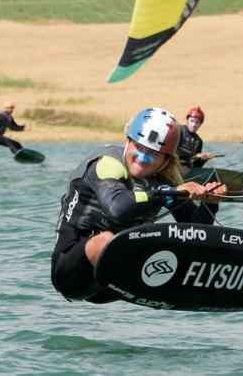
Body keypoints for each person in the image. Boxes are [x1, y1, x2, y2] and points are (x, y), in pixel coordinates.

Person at [51, 107, 226, 303]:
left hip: (113, 285)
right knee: (107, 240)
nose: (142, 157)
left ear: (166, 158)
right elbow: (117, 209)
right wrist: (166, 194)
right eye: (138, 147)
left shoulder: (168, 176)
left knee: (173, 240)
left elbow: (196, 230)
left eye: (153, 153)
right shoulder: (107, 162)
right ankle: (162, 284)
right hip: (72, 274)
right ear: (127, 141)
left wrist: (211, 204)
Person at [177, 106, 218, 175]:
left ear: (200, 124)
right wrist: (195, 156)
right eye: (192, 121)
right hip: (172, 166)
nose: (194, 125)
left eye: (197, 122)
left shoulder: (199, 141)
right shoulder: (178, 130)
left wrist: (204, 159)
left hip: (187, 170)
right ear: (187, 120)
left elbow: (196, 166)